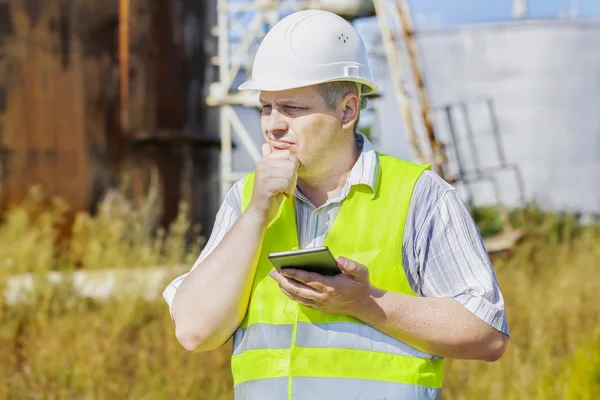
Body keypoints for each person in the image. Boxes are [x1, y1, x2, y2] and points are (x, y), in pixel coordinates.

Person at [163, 9, 509, 400]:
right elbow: (194, 330)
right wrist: (257, 214)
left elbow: (488, 334)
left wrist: (366, 302)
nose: (273, 124)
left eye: (292, 108)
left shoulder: (420, 197)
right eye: (266, 107)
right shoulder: (247, 200)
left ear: (347, 110)